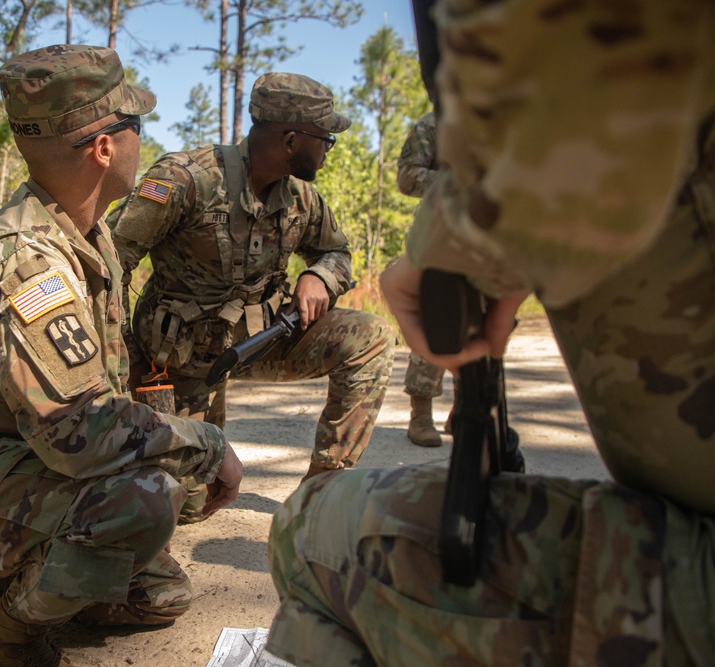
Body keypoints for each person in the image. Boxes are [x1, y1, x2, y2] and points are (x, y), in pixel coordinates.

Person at [266, 2, 715, 666]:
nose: (328, 149)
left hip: (500, 229)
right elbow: (417, 174)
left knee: (311, 535)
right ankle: (424, 415)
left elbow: (589, 56)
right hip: (492, 238)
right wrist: (471, 213)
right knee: (445, 344)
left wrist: (472, 222)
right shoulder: (421, 131)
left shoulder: (314, 198)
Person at [0, 45, 243, 667]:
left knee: (162, 592)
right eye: (136, 126)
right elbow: (79, 431)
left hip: (15, 468)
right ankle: (7, 640)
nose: (143, 142)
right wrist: (208, 444)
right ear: (104, 147)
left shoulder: (88, 236)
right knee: (146, 499)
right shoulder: (27, 261)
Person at [107, 72, 396, 519]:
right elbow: (107, 262)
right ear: (292, 139)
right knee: (186, 507)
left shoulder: (303, 198)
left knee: (371, 336)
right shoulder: (187, 180)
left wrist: (320, 274)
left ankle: (319, 496)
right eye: (326, 140)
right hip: (180, 359)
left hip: (262, 340)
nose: (327, 151)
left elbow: (336, 250)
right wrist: (129, 362)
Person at [395, 110, 448, 447]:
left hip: (491, 233)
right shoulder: (433, 125)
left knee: (491, 322)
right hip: (440, 232)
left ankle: (472, 406)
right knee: (437, 318)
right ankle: (421, 413)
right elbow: (407, 177)